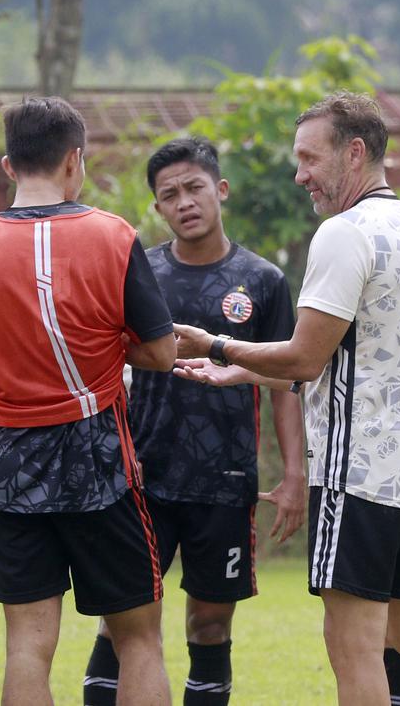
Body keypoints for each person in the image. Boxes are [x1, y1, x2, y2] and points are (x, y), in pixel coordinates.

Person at [172, 92, 400, 706]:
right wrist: (246, 373)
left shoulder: (343, 232)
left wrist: (217, 345)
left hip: (357, 473)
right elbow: (352, 360)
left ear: (354, 152)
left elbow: (306, 357)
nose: (300, 174)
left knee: (353, 645)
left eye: (310, 158)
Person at [0, 96, 175, 706]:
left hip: (12, 461)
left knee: (27, 647)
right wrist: (109, 346)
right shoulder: (114, 236)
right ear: (75, 160)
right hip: (101, 458)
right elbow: (161, 351)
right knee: (138, 641)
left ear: (9, 165)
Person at [82, 137, 305, 706]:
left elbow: (286, 383)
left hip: (224, 483)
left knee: (209, 625)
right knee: (123, 623)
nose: (184, 202)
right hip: (142, 479)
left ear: (220, 190)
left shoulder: (263, 280)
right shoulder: (141, 272)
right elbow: (103, 362)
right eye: (170, 194)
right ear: (158, 207)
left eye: (194, 188)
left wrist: (295, 474)